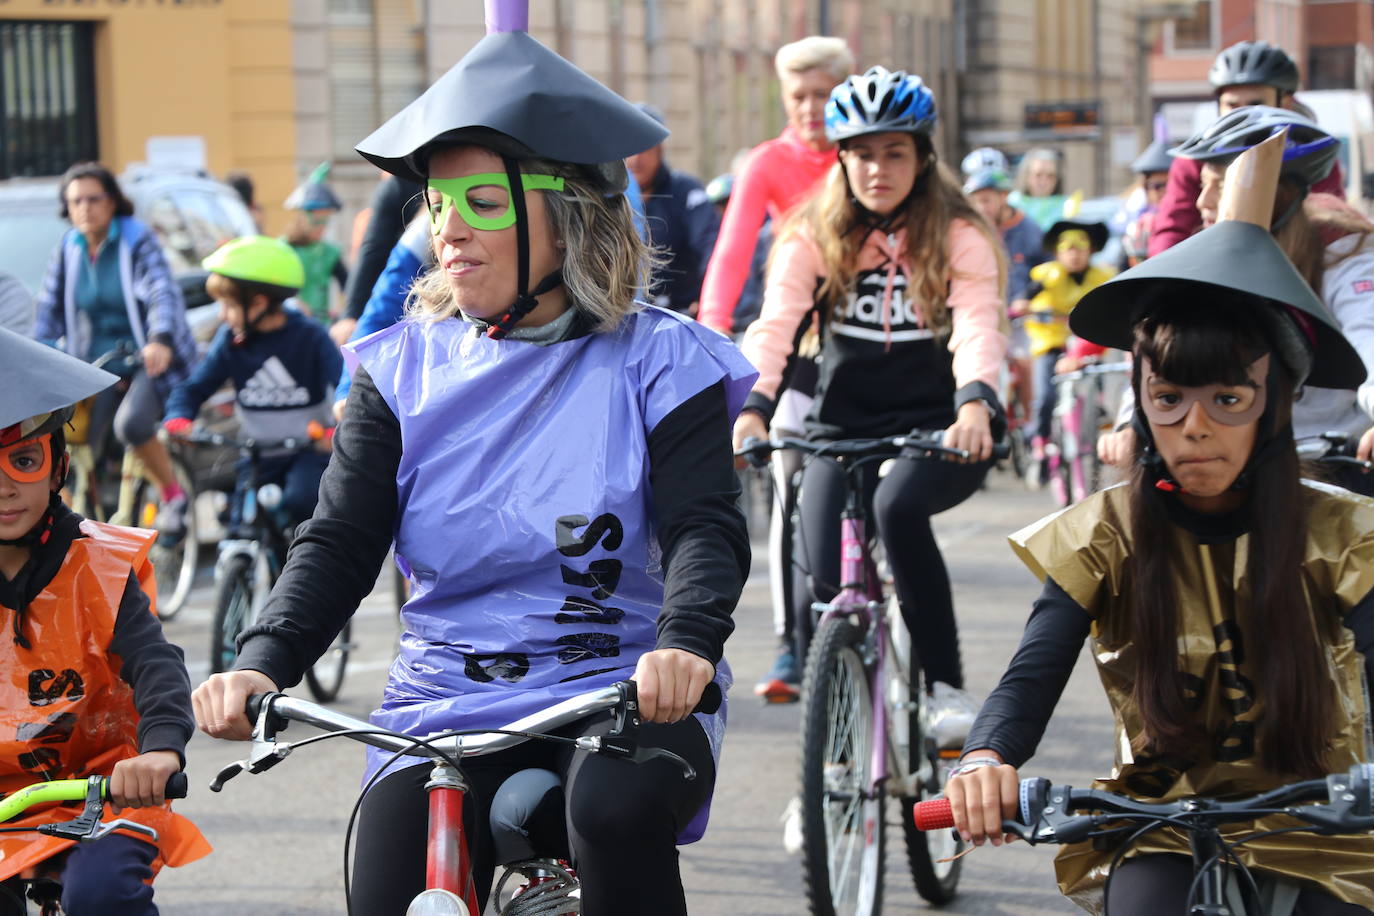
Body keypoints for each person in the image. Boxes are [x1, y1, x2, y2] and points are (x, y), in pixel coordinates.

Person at [191, 15, 756, 916]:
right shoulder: (399, 369)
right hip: (439, 702)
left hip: (621, 691)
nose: (448, 231)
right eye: (438, 204)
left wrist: (685, 642)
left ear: (568, 215)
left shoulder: (665, 361)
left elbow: (704, 525)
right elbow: (340, 537)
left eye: (481, 202)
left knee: (610, 814)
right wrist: (264, 659)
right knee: (384, 892)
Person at [941, 147, 1374, 913]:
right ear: (1140, 404)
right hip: (1161, 819)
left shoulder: (1340, 532)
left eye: (1228, 399)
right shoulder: (1104, 531)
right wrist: (984, 757)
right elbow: (1032, 672)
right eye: (1169, 399)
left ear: (1272, 405)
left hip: (1326, 822)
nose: (1195, 428)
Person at [732, 65, 1007, 733]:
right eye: (859, 154)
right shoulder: (813, 235)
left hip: (940, 430)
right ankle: (839, 758)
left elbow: (977, 323)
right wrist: (749, 408)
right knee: (826, 579)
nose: (876, 169)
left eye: (894, 152)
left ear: (922, 156)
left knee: (897, 509)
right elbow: (775, 327)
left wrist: (975, 404)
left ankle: (943, 687)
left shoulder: (960, 235)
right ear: (841, 159)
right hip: (841, 427)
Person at [0, 328, 209, 914]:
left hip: (100, 793)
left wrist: (161, 750)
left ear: (57, 467)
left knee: (103, 895)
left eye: (23, 460)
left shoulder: (97, 564)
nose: (4, 487)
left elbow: (156, 662)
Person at [1100, 107, 1374, 493]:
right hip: (1232, 450)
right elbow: (1162, 350)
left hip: (1328, 456)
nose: (1202, 201)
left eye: (1220, 185)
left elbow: (1369, 335)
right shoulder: (1204, 259)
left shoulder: (1344, 252)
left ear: (1276, 193)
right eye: (1200, 185)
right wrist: (1131, 423)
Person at [32, 162, 199, 539]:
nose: (85, 208)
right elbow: (48, 309)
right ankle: (89, 525)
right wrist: (39, 354)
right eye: (76, 201)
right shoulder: (69, 248)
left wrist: (160, 339)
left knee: (132, 424)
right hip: (98, 362)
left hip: (150, 358)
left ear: (112, 202)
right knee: (77, 438)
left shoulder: (136, 240)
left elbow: (161, 291)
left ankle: (173, 496)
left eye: (94, 199)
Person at [162, 236, 341, 528]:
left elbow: (344, 384)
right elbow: (195, 387)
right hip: (257, 456)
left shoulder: (309, 336)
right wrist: (179, 415)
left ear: (258, 303)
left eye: (228, 305)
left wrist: (338, 430)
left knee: (302, 505)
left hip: (307, 453)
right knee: (238, 526)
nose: (221, 315)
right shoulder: (231, 341)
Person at [696, 35, 853, 333]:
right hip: (796, 312)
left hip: (864, 309)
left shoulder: (862, 156)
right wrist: (713, 323)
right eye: (798, 97)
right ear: (784, 98)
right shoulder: (765, 162)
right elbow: (732, 252)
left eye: (822, 94)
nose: (810, 108)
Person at [1148, 39, 1345, 257]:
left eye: (1255, 104)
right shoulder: (1195, 159)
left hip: (1295, 270)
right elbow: (1172, 230)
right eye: (1232, 105)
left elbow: (1332, 231)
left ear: (1286, 103)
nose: (1242, 115)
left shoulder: (1311, 156)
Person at [1021, 219, 1115, 485]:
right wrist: (1022, 305)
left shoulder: (1102, 276)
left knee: (1098, 379)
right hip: (1051, 342)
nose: (1074, 254)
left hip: (1087, 344)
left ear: (1091, 250)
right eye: (1068, 248)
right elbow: (1024, 298)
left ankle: (1097, 418)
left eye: (1080, 248)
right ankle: (1040, 447)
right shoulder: (1046, 275)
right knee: (1046, 397)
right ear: (1058, 252)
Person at [627, 103, 722, 316]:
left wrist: (708, 299)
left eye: (645, 147)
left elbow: (710, 244)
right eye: (629, 148)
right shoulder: (609, 197)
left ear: (660, 149)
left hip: (682, 314)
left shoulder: (686, 191)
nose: (636, 159)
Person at [333, 172, 424, 346]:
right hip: (407, 293)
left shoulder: (400, 181)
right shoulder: (399, 184)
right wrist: (352, 313)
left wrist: (352, 315)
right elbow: (373, 250)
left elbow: (373, 249)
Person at [282, 162, 349, 324]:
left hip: (322, 327)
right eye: (317, 221)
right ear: (302, 217)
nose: (321, 228)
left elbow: (349, 286)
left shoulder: (329, 253)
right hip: (291, 324)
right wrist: (292, 303)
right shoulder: (283, 250)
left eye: (325, 221)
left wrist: (344, 312)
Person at [1121, 129, 1172, 266]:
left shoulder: (1194, 222)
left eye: (1168, 184)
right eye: (1155, 186)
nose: (1162, 191)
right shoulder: (1138, 227)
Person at [1008, 148, 1075, 232]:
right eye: (1038, 175)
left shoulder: (1068, 205)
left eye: (1050, 176)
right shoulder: (1012, 202)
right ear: (1027, 175)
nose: (1044, 181)